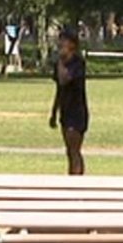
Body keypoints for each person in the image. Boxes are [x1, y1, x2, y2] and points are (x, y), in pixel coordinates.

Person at [50, 28, 88, 175]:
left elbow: (64, 80)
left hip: (77, 111)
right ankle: (72, 177)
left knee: (74, 150)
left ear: (72, 44)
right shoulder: (59, 64)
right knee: (69, 151)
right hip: (65, 111)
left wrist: (61, 61)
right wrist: (54, 112)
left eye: (64, 41)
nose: (60, 43)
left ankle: (77, 181)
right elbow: (59, 89)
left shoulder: (78, 63)